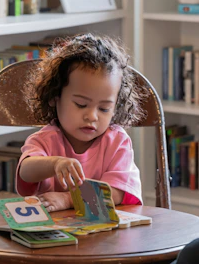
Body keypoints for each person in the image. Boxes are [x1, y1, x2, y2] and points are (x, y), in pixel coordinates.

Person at [16, 33, 148, 213]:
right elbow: (26, 171)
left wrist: (68, 199)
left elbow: (118, 192)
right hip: (53, 235)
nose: (92, 116)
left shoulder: (117, 142)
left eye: (104, 109)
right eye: (81, 104)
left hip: (106, 237)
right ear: (55, 97)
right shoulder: (45, 140)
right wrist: (55, 164)